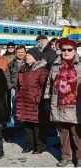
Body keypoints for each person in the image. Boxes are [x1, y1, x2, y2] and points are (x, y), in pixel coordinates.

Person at [44, 39, 81, 167]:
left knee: (76, 132)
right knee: (63, 132)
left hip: (76, 104)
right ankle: (66, 156)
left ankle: (80, 158)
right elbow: (49, 83)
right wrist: (47, 98)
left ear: (75, 51)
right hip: (59, 103)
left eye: (69, 50)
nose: (65, 52)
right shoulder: (55, 66)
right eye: (63, 49)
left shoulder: (80, 65)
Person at [15, 48, 49, 154]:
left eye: (29, 55)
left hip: (35, 102)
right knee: (26, 123)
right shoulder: (23, 69)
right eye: (27, 55)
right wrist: (17, 96)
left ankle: (40, 145)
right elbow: (18, 85)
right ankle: (29, 145)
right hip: (23, 100)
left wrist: (38, 98)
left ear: (36, 57)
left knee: (37, 124)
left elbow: (44, 86)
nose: (27, 57)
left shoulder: (41, 70)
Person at [5, 45, 26, 127]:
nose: (20, 54)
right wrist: (10, 86)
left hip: (26, 88)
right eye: (18, 52)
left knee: (25, 106)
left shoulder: (28, 63)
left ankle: (24, 123)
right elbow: (7, 76)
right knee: (14, 106)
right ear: (15, 53)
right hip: (14, 88)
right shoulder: (11, 64)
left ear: (25, 53)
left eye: (22, 52)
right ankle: (15, 124)